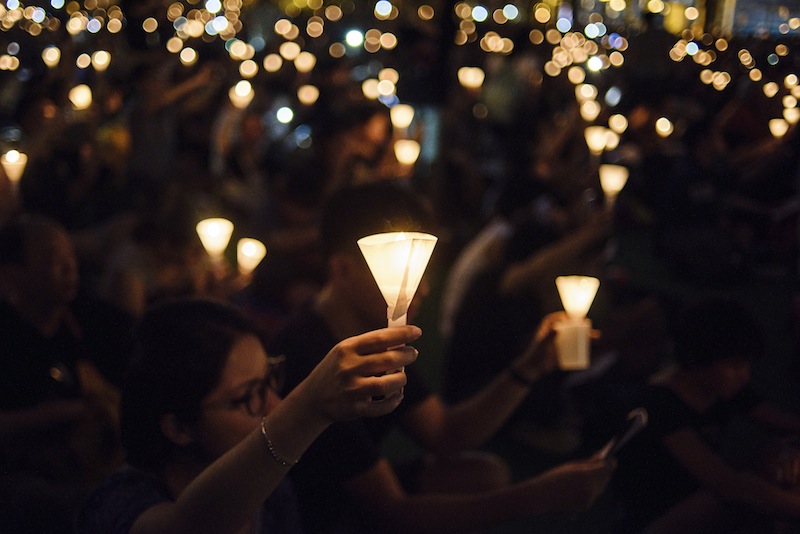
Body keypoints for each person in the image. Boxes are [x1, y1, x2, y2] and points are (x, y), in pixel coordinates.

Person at [268, 181, 616, 533]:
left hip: (360, 491)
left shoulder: (375, 335)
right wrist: (539, 496)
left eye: (417, 268)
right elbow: (391, 510)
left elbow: (445, 433)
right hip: (314, 516)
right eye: (402, 271)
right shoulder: (310, 356)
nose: (423, 288)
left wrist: (529, 368)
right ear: (343, 270)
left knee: (483, 474)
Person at [76, 297, 421, 534]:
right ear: (179, 427)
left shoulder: (270, 491)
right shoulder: (120, 502)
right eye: (247, 398)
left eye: (270, 379)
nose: (274, 405)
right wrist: (307, 409)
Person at [612, 296, 800, 533]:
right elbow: (727, 484)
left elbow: (783, 425)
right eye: (735, 366)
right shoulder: (659, 404)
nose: (744, 376)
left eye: (746, 365)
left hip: (701, 499)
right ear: (697, 358)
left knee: (781, 457)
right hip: (654, 519)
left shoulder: (724, 389)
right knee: (739, 494)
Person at [0, 213, 129, 532]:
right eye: (50, 260)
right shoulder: (7, 336)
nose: (69, 268)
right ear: (12, 275)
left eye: (70, 256)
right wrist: (58, 413)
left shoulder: (85, 324)